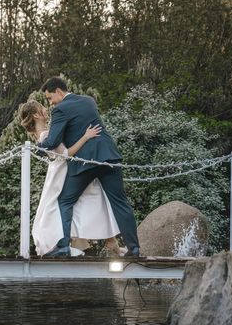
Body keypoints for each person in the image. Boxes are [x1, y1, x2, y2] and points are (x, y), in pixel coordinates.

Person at [36, 77, 140, 257]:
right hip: (109, 157)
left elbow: (53, 141)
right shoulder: (89, 101)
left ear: (59, 92)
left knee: (65, 201)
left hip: (85, 162)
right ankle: (134, 248)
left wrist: (34, 150)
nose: (50, 102)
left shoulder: (60, 109)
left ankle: (63, 246)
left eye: (50, 97)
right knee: (120, 202)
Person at [18, 99, 124, 257]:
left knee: (85, 203)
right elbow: (67, 154)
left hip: (59, 172)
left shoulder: (41, 135)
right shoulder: (46, 134)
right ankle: (106, 242)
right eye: (43, 108)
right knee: (93, 200)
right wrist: (86, 137)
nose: (47, 110)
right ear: (36, 115)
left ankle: (94, 242)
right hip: (64, 171)